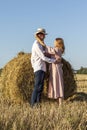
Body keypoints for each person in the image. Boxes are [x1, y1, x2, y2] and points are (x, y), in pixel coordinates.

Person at [30, 28, 60, 107]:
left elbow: (44, 54)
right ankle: (33, 104)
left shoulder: (41, 44)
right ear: (38, 35)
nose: (42, 35)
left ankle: (38, 104)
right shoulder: (36, 44)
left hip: (42, 68)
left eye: (43, 34)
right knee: (37, 86)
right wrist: (53, 60)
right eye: (40, 34)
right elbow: (42, 57)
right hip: (38, 67)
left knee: (40, 87)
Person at [46, 38, 65, 105]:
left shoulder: (57, 49)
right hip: (55, 69)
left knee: (57, 84)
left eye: (55, 42)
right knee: (57, 84)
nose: (54, 43)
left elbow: (49, 50)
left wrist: (43, 45)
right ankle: (58, 103)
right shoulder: (59, 50)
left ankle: (60, 103)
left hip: (56, 69)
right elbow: (49, 54)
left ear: (58, 43)